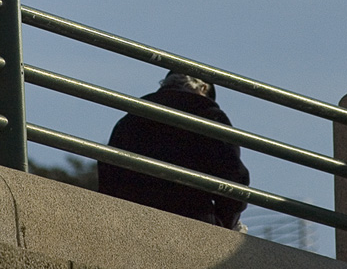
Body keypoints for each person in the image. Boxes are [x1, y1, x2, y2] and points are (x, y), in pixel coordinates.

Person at [98, 71, 249, 230]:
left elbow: (108, 169)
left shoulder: (133, 116)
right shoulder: (209, 116)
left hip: (129, 217)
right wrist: (223, 224)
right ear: (203, 89)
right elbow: (233, 177)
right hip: (191, 218)